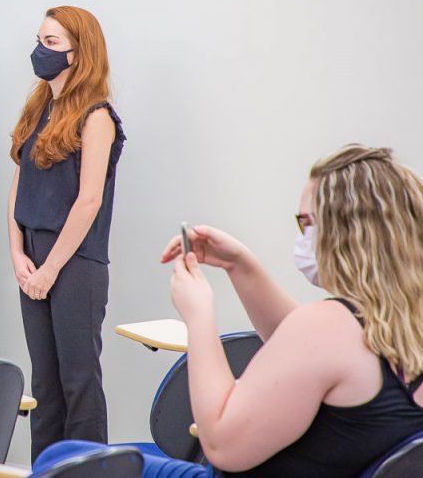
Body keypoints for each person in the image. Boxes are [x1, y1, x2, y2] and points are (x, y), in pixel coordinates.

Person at [74, 144, 423, 477]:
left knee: (63, 458)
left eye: (306, 223)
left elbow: (221, 445)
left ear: (344, 231)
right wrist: (240, 265)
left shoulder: (328, 326)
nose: (302, 235)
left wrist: (198, 317)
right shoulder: (401, 325)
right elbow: (304, 349)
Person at [8, 6, 126, 460]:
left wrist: (49, 269)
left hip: (75, 261)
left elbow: (88, 201)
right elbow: (18, 185)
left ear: (80, 53)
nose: (41, 51)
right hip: (33, 256)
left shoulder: (97, 117)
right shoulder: (39, 109)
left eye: (52, 43)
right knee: (45, 385)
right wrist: (18, 253)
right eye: (39, 40)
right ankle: (47, 469)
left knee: (79, 382)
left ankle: (87, 470)